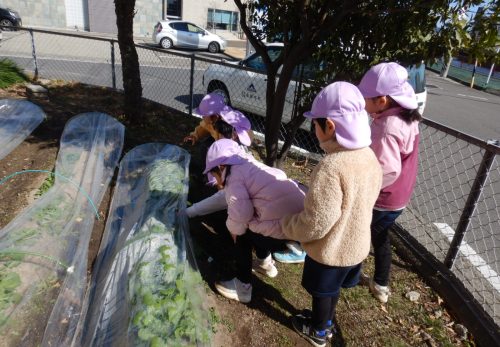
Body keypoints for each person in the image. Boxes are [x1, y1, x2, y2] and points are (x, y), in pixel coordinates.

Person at [280, 82, 382, 347]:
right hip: (357, 246)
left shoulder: (331, 167)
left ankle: (318, 331)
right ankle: (324, 322)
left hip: (332, 252)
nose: (313, 129)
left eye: (316, 123)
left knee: (322, 293)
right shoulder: (369, 156)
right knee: (332, 291)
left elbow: (317, 222)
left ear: (330, 127)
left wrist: (289, 227)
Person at [203, 139, 305, 303]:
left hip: (284, 228)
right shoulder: (249, 164)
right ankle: (265, 263)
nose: (215, 180)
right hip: (300, 220)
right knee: (256, 220)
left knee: (242, 234)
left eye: (213, 174)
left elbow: (241, 214)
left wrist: (234, 230)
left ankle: (242, 288)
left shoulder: (233, 178)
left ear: (221, 167)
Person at [357, 62, 422, 304]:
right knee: (381, 236)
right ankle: (381, 283)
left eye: (367, 98)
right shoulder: (407, 117)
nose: (364, 102)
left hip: (382, 197)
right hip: (399, 197)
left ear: (383, 100)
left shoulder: (386, 127)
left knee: (361, 234)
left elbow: (387, 170)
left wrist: (362, 189)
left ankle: (350, 275)